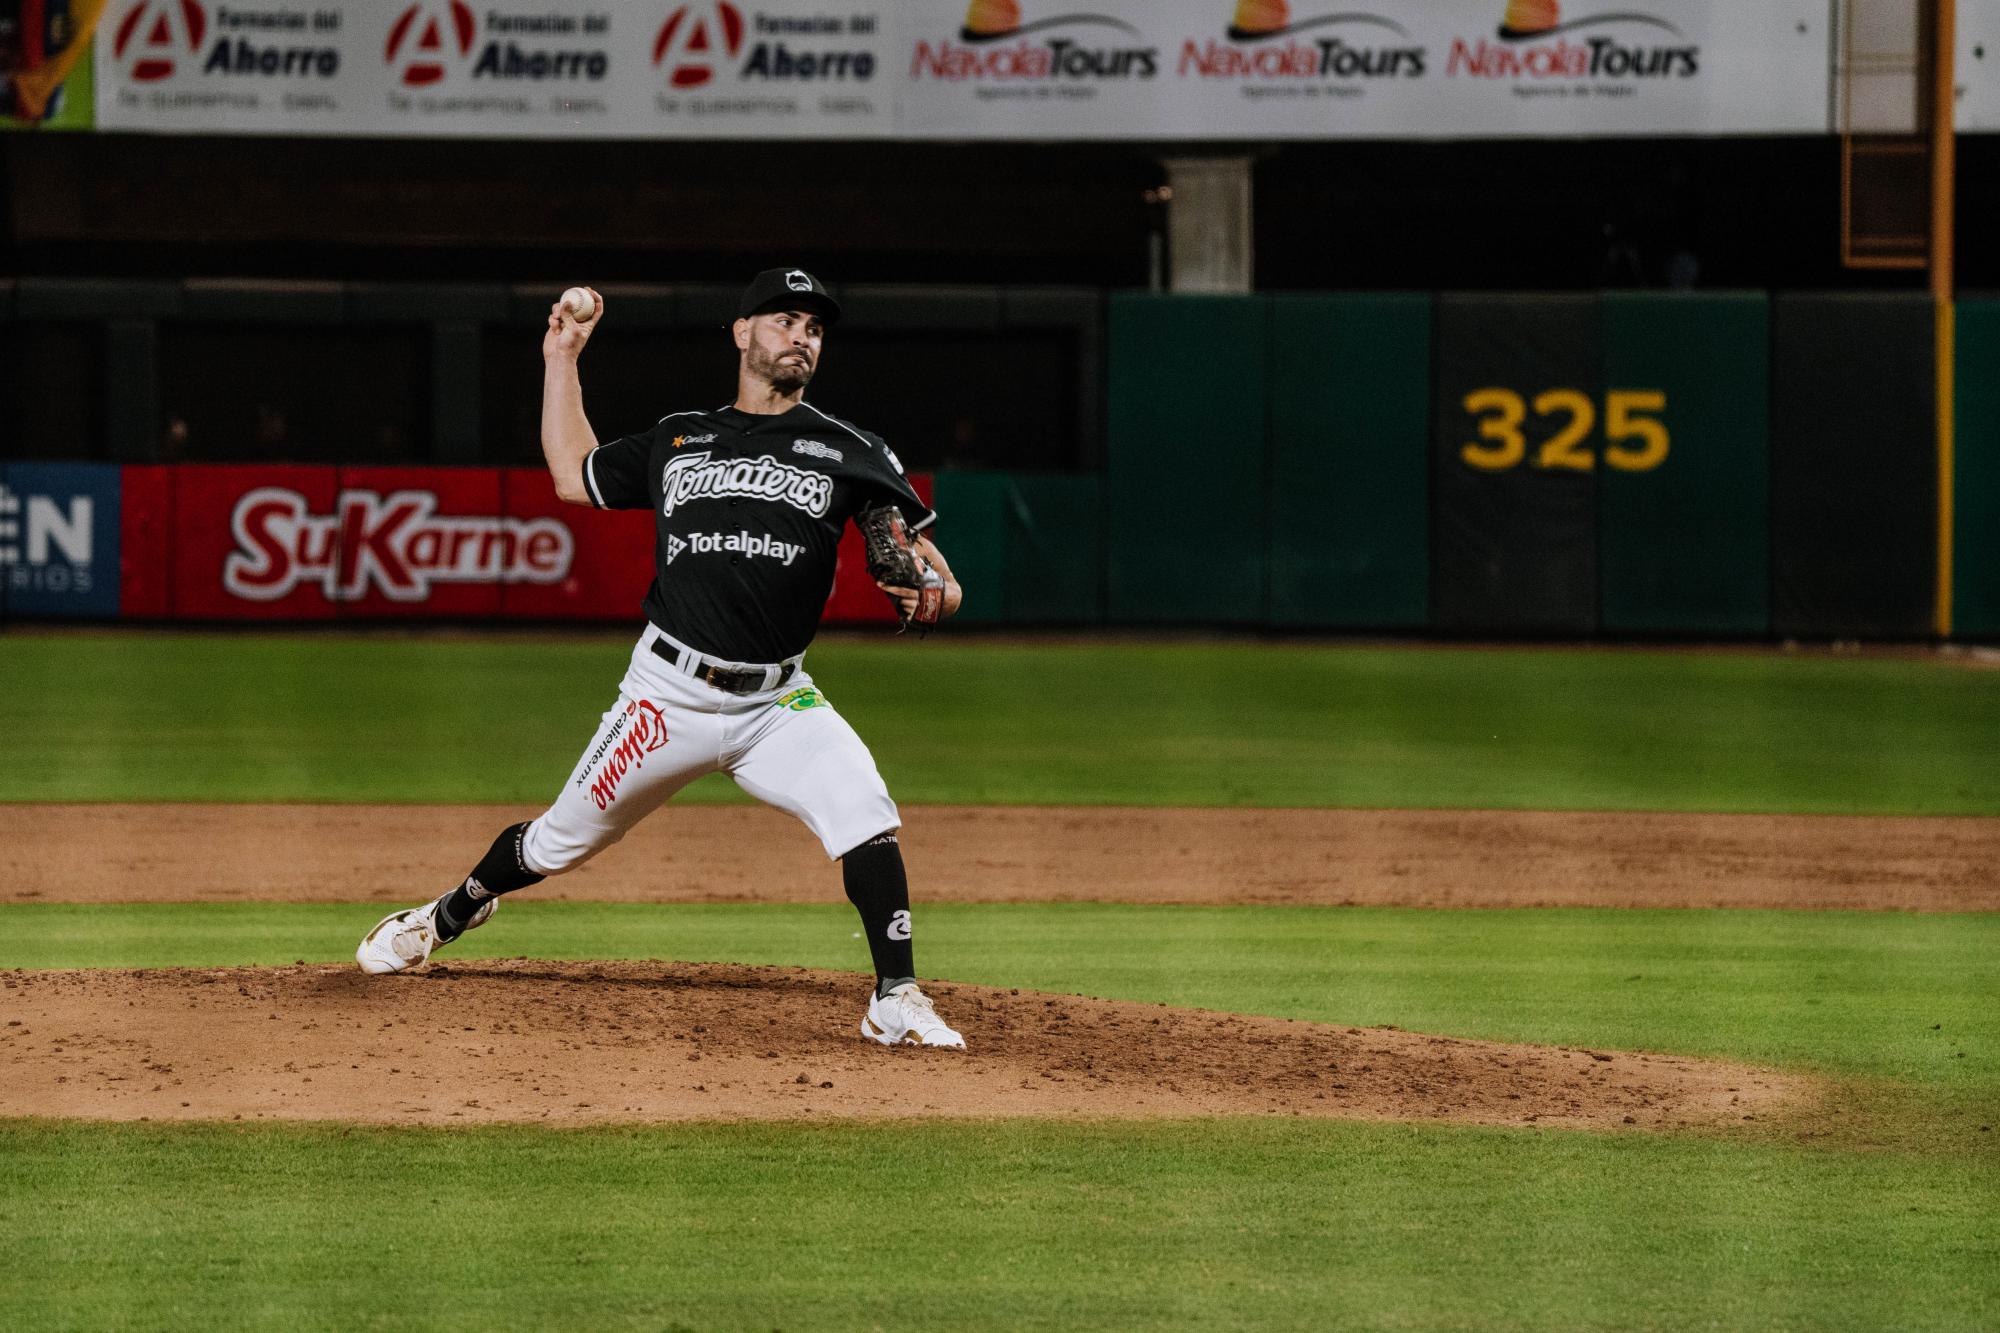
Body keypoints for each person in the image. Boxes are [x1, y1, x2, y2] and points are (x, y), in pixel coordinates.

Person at [356, 267, 969, 1049]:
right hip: (664, 695)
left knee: (864, 810)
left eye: (815, 329)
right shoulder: (682, 436)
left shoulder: (852, 451)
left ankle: (897, 996)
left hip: (779, 703)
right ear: (743, 333)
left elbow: (936, 577)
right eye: (784, 321)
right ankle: (449, 911)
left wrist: (932, 594)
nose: (802, 338)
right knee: (555, 842)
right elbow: (572, 475)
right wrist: (562, 357)